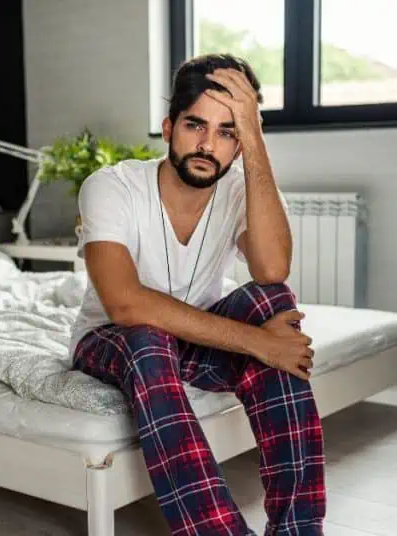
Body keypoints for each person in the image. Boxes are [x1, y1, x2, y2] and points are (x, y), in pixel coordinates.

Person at [70, 54, 325, 535]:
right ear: (168, 127)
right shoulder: (111, 187)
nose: (209, 144)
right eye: (195, 125)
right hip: (113, 340)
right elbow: (125, 304)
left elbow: (271, 269)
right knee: (147, 336)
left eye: (229, 131)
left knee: (270, 301)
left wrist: (256, 136)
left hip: (193, 341)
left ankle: (298, 529)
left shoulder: (241, 190)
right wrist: (258, 343)